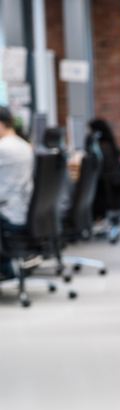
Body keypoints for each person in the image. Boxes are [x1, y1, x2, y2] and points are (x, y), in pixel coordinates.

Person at [0, 106, 34, 280]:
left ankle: (6, 267)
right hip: (23, 209)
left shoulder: (3, 148)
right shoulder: (24, 145)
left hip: (9, 212)